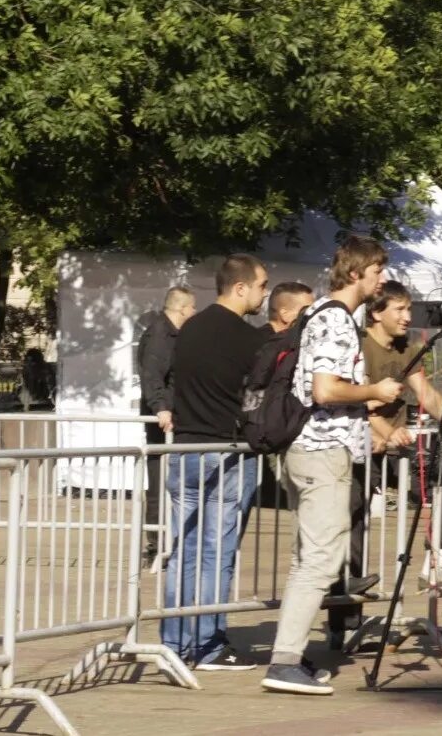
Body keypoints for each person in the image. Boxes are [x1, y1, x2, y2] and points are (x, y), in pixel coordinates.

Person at [263, 237, 401, 697]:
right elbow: (325, 390)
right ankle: (283, 662)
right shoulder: (337, 322)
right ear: (358, 272)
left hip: (308, 451)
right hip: (322, 451)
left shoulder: (319, 314)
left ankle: (290, 652)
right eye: (378, 271)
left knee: (310, 558)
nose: (381, 280)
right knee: (319, 560)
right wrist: (374, 391)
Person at [161, 256, 268, 670]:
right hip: (226, 449)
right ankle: (207, 644)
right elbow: (256, 395)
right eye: (260, 285)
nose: (263, 293)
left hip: (185, 447)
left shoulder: (189, 329)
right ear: (239, 287)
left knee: (182, 549)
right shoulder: (249, 339)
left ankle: (174, 640)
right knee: (215, 550)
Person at [357, 282, 442, 586]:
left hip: (400, 443)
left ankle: (438, 562)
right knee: (353, 516)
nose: (407, 316)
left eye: (409, 309)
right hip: (363, 442)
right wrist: (385, 431)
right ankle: (346, 598)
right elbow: (362, 405)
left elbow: (429, 397)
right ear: (377, 313)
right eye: (400, 309)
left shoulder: (408, 346)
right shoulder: (359, 345)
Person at [136, 286, 193, 561]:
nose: (193, 313)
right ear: (182, 308)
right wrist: (161, 408)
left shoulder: (171, 333)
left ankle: (164, 543)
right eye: (192, 308)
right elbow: (153, 374)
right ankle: (156, 546)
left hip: (169, 415)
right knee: (159, 481)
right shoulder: (160, 333)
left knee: (167, 480)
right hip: (163, 420)